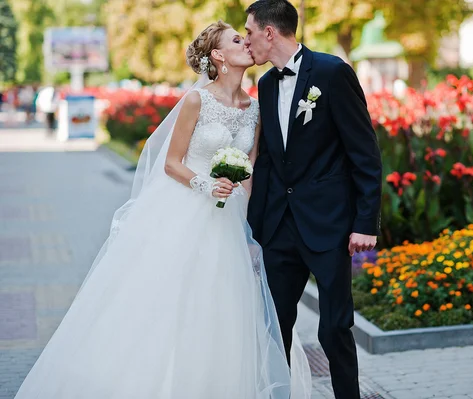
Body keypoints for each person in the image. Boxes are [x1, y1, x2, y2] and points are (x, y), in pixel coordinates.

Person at [14, 21, 310, 399]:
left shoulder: (254, 107)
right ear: (218, 55)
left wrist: (248, 230)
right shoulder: (196, 100)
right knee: (176, 306)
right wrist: (206, 185)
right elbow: (171, 162)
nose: (246, 42)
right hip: (189, 210)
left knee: (224, 312)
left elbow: (249, 170)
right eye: (237, 40)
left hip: (230, 220)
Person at [245, 1, 383, 398]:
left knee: (335, 326)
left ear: (270, 33)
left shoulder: (333, 72)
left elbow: (365, 153)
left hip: (329, 225)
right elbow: (269, 161)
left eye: (251, 32)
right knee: (275, 327)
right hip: (279, 228)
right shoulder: (266, 84)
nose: (247, 40)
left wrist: (364, 223)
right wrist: (257, 229)